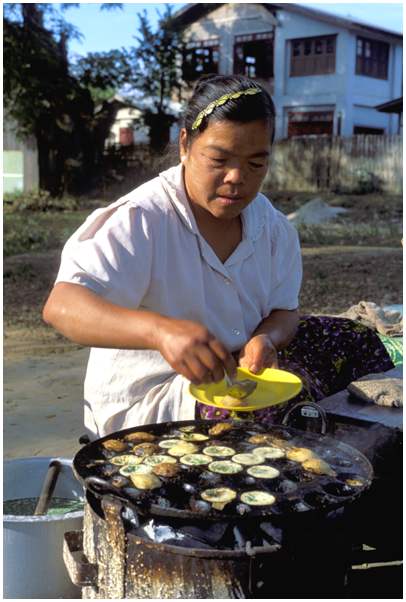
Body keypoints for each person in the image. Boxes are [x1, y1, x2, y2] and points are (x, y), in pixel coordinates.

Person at [43, 75, 393, 439]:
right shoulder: (141, 219)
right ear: (185, 145)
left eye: (256, 164)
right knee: (267, 413)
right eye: (219, 159)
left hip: (233, 370)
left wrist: (267, 339)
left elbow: (285, 312)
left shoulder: (272, 228)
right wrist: (160, 332)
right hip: (154, 401)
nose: (236, 178)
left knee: (354, 338)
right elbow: (63, 307)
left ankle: (367, 448)